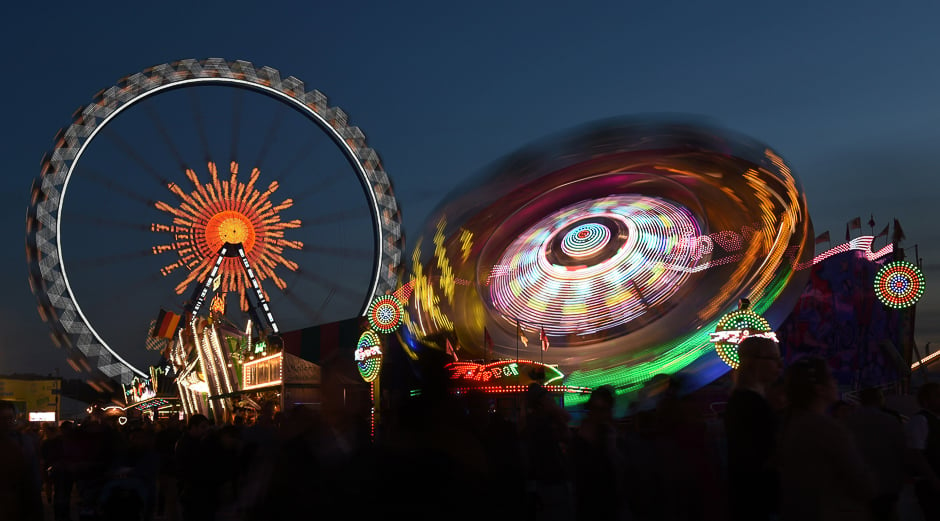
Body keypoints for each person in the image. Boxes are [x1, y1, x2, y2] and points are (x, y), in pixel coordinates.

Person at [777, 357, 876, 521]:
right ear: (819, 389)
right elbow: (862, 482)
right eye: (831, 377)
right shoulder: (829, 430)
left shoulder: (788, 424)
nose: (835, 382)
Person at [723, 335, 782, 521]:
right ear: (755, 363)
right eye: (773, 359)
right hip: (758, 500)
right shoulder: (752, 404)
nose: (778, 366)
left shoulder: (741, 400)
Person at [843, 387, 908, 521]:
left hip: (858, 480)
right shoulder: (890, 420)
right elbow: (901, 449)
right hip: (888, 479)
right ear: (879, 399)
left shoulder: (847, 421)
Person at [0, 400, 43, 521]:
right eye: (2, 418)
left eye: (9, 418)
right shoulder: (24, 441)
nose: (6, 422)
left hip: (20, 500)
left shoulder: (25, 441)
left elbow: (32, 473)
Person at [907, 382, 940, 520]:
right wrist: (934, 480)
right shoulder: (921, 420)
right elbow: (917, 454)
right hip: (930, 483)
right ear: (927, 400)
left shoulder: (932, 420)